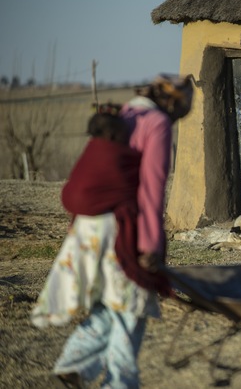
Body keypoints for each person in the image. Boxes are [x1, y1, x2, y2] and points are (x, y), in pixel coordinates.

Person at [31, 74, 194, 389]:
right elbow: (151, 191)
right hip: (121, 230)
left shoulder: (127, 112)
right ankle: (120, 383)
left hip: (88, 228)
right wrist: (150, 246)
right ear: (173, 102)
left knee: (110, 303)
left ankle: (75, 364)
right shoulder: (156, 123)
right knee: (129, 311)